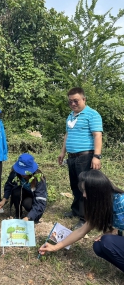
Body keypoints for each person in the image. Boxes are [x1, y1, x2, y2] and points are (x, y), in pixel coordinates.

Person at [39, 170, 124, 272]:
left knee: (107, 241)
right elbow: (80, 231)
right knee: (99, 246)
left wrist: (113, 234)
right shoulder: (102, 204)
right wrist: (55, 247)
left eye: (85, 190)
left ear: (96, 191)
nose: (83, 195)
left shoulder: (121, 202)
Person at [58, 87, 103, 229]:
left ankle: (86, 218)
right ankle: (76, 210)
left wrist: (96, 156)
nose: (73, 104)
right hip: (72, 157)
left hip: (85, 156)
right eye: (70, 101)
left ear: (84, 99)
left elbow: (97, 135)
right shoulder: (70, 115)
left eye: (76, 101)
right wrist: (62, 152)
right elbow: (67, 135)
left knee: (85, 187)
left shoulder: (92, 115)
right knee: (75, 185)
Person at [0, 153, 47, 223]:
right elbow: (9, 185)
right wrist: (4, 199)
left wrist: (29, 217)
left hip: (32, 197)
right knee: (16, 192)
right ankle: (18, 214)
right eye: (21, 171)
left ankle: (32, 214)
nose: (22, 174)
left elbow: (40, 201)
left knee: (28, 204)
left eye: (25, 172)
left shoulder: (39, 179)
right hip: (22, 192)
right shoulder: (15, 173)